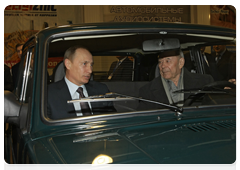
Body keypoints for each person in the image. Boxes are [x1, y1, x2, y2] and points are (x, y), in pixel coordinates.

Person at [47, 46, 116, 119]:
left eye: (91, 65)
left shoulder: (101, 90)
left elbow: (112, 121)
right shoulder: (48, 94)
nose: (90, 70)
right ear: (68, 64)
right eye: (84, 64)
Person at [137, 49, 214, 110]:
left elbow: (214, 112)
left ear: (181, 62)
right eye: (160, 62)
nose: (162, 66)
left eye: (168, 61)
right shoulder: (147, 91)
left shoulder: (204, 82)